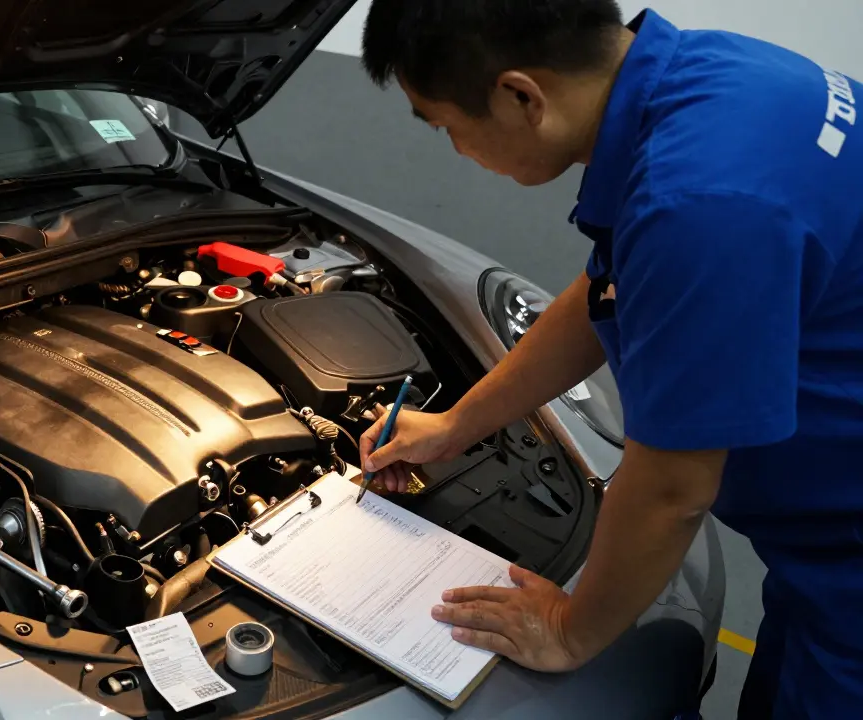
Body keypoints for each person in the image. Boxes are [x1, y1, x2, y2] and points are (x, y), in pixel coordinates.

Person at [357, 2, 863, 718]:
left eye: (447, 127)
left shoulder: (697, 202)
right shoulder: (716, 77)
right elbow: (613, 290)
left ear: (519, 96)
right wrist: (455, 425)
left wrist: (570, 629)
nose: (458, 151)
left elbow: (672, 489)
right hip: (823, 561)